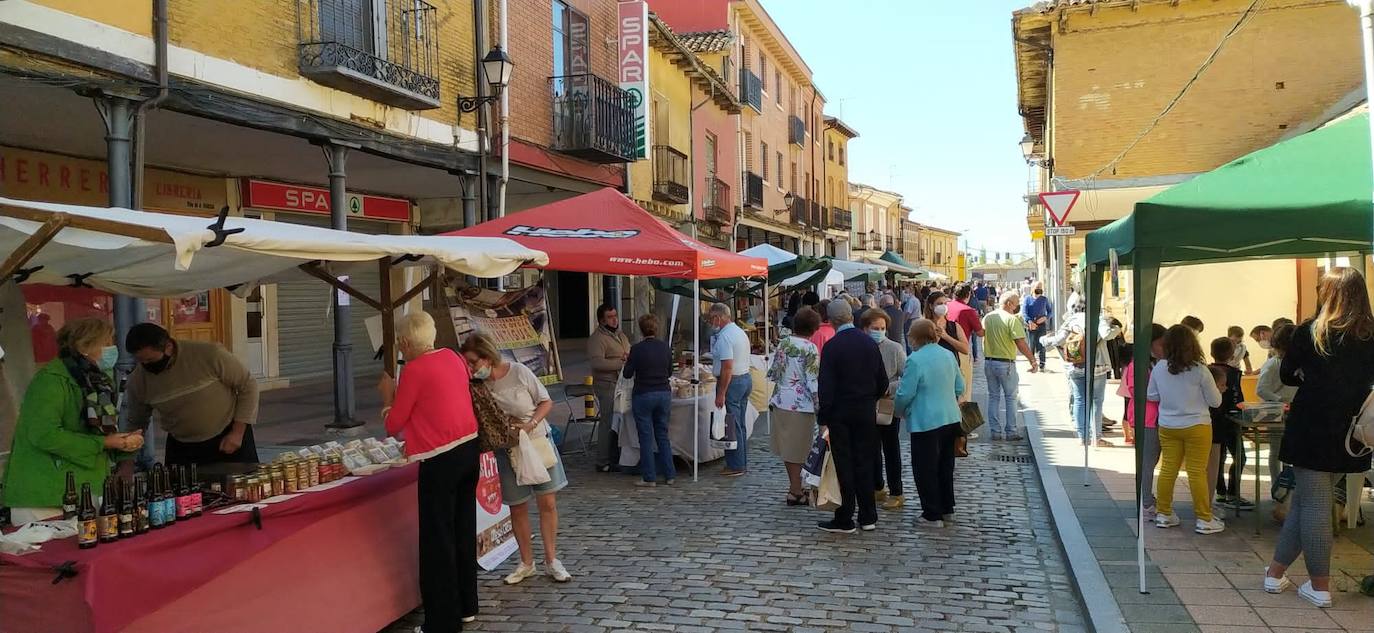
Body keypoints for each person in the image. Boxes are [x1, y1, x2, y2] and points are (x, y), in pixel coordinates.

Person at [1266, 268, 1374, 608]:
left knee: (1313, 504)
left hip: (1311, 424)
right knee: (1305, 501)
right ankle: (1274, 573)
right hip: (1352, 430)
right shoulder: (1371, 332)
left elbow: (1288, 373)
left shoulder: (1311, 331)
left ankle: (1319, 585)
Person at [378, 312, 482, 632]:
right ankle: (466, 605)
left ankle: (442, 621)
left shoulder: (414, 369)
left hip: (440, 458)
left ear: (406, 343)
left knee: (438, 540)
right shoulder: (452, 357)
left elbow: (394, 423)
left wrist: (386, 398)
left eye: (399, 342)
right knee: (463, 529)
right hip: (469, 448)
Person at [1, 318, 143, 525]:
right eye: (106, 342)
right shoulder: (51, 380)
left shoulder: (95, 379)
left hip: (83, 487)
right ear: (85, 346)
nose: (111, 348)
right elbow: (43, 434)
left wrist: (122, 444)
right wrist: (105, 443)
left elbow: (98, 432)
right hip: (45, 494)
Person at [461, 332, 572, 585]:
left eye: (473, 362)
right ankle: (526, 562)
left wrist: (530, 424)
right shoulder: (478, 387)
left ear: (487, 357)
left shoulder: (519, 372)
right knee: (517, 506)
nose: (470, 368)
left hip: (536, 443)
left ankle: (552, 560)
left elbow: (545, 401)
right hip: (507, 449)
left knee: (547, 502)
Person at [125, 323, 259, 465]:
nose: (146, 365)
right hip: (182, 447)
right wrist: (127, 463)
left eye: (151, 360)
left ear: (168, 347)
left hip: (228, 437)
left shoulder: (209, 354)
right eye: (141, 361)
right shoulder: (138, 380)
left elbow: (247, 385)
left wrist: (237, 433)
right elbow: (136, 423)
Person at [816, 300, 888, 534]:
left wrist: (823, 417)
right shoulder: (869, 344)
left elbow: (826, 387)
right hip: (865, 410)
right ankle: (868, 516)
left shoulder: (832, 347)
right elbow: (883, 381)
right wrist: (870, 398)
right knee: (865, 461)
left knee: (844, 464)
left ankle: (845, 516)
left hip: (840, 413)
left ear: (831, 320)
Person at [1147, 325, 1224, 535]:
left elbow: (1151, 396)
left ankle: (1164, 513)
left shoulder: (1159, 368)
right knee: (1197, 471)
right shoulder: (1200, 370)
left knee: (1168, 469)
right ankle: (1204, 518)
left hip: (1168, 426)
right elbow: (1215, 402)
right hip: (1197, 426)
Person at [894, 319, 965, 527]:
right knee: (945, 465)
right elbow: (960, 386)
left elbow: (905, 393)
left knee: (925, 468)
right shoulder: (948, 354)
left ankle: (931, 514)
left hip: (925, 420)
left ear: (916, 338)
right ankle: (947, 508)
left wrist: (899, 411)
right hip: (950, 417)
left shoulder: (915, 360)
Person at [1044, 298, 1120, 447]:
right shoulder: (1098, 319)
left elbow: (1058, 340)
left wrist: (1043, 341)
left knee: (1080, 400)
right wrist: (1116, 330)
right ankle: (1096, 438)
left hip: (1076, 366)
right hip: (1097, 366)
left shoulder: (1071, 320)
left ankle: (1082, 437)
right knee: (1096, 401)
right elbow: (1106, 335)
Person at [766, 307, 821, 505]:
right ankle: (796, 490)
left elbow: (774, 372)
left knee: (789, 449)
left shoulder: (784, 343)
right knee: (800, 448)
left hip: (781, 400)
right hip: (801, 404)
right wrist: (819, 405)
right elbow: (812, 380)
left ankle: (794, 488)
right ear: (814, 328)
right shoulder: (810, 348)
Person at [1119, 323, 1167, 517]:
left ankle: (1147, 497)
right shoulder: (1138, 365)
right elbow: (1137, 391)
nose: (1163, 348)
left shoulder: (1153, 363)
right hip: (1145, 417)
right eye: (1160, 343)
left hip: (1154, 417)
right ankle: (1146, 500)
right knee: (1148, 461)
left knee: (1152, 459)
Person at [622, 314, 674, 487]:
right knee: (662, 435)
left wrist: (627, 361)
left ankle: (649, 477)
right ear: (656, 329)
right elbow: (670, 371)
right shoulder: (664, 347)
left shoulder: (637, 349)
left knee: (645, 437)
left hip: (644, 393)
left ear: (640, 329)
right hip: (663, 393)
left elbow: (627, 373)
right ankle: (669, 474)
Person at [862, 308, 907, 511]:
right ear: (864, 329)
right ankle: (877, 485)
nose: (879, 331)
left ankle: (896, 491)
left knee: (891, 448)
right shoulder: (861, 348)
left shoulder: (894, 348)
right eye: (875, 328)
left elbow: (906, 375)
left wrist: (889, 388)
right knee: (871, 448)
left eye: (882, 328)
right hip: (866, 404)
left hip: (888, 404)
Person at [982, 292, 1040, 440]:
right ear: (1008, 303)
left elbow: (981, 334)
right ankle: (1011, 431)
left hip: (989, 362)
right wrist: (1032, 360)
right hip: (1005, 363)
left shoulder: (988, 317)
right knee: (1010, 398)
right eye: (1015, 304)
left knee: (993, 397)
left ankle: (995, 431)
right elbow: (1020, 342)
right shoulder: (1011, 320)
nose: (1016, 307)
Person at [708, 303, 753, 477]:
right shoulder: (738, 332)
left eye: (712, 318)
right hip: (744, 378)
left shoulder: (725, 337)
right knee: (739, 424)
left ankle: (736, 464)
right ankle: (741, 462)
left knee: (732, 425)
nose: (711, 322)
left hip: (733, 381)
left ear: (718, 318)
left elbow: (727, 367)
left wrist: (721, 393)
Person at [587, 304, 629, 472]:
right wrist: (620, 362)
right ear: (602, 320)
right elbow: (597, 362)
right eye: (610, 317)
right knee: (608, 420)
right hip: (607, 384)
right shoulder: (596, 339)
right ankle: (602, 459)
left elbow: (628, 350)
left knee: (622, 419)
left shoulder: (620, 334)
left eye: (615, 316)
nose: (615, 319)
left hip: (623, 383)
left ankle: (618, 455)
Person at [1207, 337, 1248, 510]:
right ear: (1232, 354)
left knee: (1218, 459)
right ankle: (1232, 492)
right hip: (1230, 421)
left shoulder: (1206, 370)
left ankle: (1221, 491)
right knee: (1239, 456)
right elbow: (1237, 398)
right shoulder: (1234, 373)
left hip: (1211, 419)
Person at [1022, 286, 1052, 368]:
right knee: (1031, 344)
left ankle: (1042, 362)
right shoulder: (1027, 299)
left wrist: (1045, 317)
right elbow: (1024, 312)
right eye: (1037, 288)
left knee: (1041, 344)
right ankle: (1032, 362)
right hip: (1031, 325)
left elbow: (1050, 311)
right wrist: (1029, 321)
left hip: (1041, 325)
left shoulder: (1044, 299)